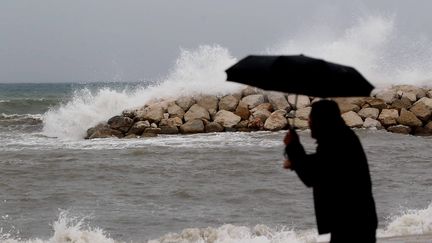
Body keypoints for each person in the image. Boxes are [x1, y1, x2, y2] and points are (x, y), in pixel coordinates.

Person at [283, 100, 378, 243]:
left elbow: (312, 176)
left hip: (352, 223)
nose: (308, 121)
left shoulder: (337, 141)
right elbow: (321, 164)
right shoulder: (340, 137)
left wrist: (293, 146)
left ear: (322, 120)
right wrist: (295, 157)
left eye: (311, 117)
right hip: (353, 220)